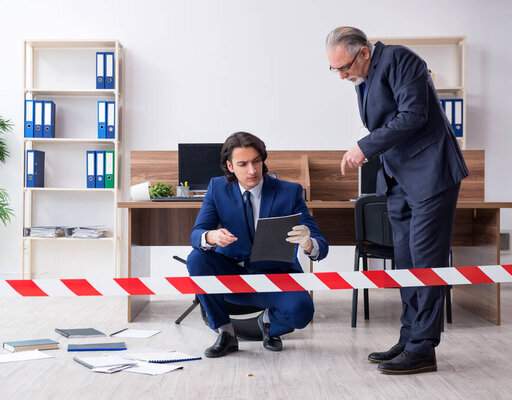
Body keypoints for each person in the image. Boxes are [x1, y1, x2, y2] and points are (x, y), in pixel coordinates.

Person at [326, 27, 469, 374]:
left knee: (427, 263)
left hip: (431, 175)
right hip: (399, 180)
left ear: (362, 52)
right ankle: (408, 339)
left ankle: (423, 348)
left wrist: (365, 147)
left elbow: (414, 114)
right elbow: (385, 122)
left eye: (344, 67)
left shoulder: (399, 59)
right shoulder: (363, 79)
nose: (342, 75)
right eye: (335, 70)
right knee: (405, 262)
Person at [186, 131, 329, 358]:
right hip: (232, 275)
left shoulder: (289, 192)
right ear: (230, 167)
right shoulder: (217, 188)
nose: (252, 171)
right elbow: (197, 234)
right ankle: (225, 333)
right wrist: (211, 237)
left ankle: (268, 323)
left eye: (256, 162)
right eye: (243, 164)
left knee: (302, 311)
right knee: (196, 258)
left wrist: (309, 243)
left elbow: (322, 244)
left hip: (274, 278)